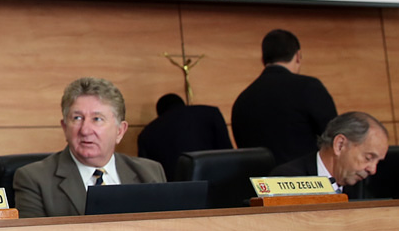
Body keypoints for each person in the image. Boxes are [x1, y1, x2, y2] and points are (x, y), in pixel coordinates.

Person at [13, 77, 166, 218]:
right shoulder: (34, 179)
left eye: (97, 119)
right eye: (77, 118)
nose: (85, 130)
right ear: (65, 127)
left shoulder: (150, 173)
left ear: (120, 131)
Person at [231, 29, 337, 165]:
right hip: (306, 183)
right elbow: (334, 137)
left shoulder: (242, 100)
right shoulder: (308, 87)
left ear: (263, 60)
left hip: (261, 185)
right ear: (298, 56)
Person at [271, 112, 389, 199]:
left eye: (378, 162)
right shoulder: (286, 178)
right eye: (368, 158)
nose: (373, 170)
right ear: (340, 145)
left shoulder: (361, 186)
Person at [137, 92, 232, 180]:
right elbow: (228, 152)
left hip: (177, 192)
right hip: (218, 182)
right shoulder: (211, 113)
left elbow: (148, 175)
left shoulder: (147, 134)